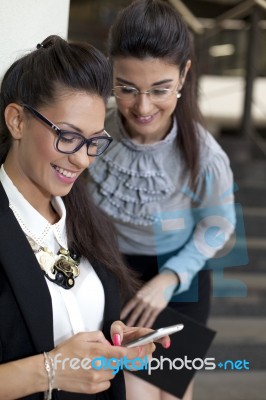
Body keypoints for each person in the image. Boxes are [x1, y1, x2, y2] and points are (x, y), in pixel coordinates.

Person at [0, 35, 170, 400]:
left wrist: (114, 341)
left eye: (94, 142)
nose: (82, 160)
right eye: (68, 137)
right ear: (17, 121)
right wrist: (50, 372)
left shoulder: (89, 222)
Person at [87, 1, 236, 399]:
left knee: (173, 394)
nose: (142, 106)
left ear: (184, 74)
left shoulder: (204, 154)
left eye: (159, 89)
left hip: (180, 278)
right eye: (127, 88)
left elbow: (218, 226)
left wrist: (170, 278)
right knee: (135, 394)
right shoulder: (92, 132)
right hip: (115, 274)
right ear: (110, 71)